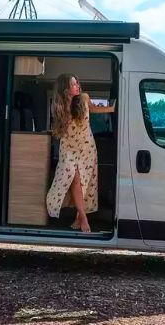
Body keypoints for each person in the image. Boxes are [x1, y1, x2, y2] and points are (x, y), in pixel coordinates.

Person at [46, 74, 116, 232]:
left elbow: (94, 109)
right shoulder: (60, 106)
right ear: (65, 89)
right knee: (74, 179)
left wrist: (111, 109)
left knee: (84, 183)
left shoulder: (84, 98)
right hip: (69, 150)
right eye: (73, 84)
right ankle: (84, 219)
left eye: (77, 82)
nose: (77, 85)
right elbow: (58, 130)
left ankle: (79, 218)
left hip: (86, 148)